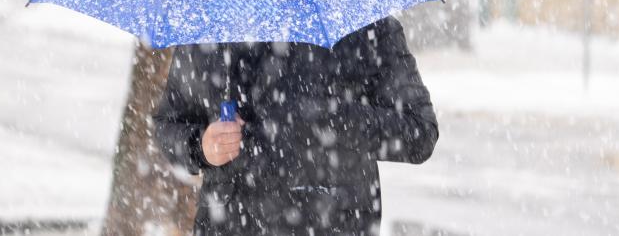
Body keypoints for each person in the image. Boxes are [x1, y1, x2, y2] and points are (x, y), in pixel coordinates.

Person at [153, 16, 438, 235]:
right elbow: (168, 124)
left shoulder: (364, 26)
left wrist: (333, 118)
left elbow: (419, 132)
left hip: (332, 221)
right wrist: (200, 145)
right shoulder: (215, 23)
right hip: (230, 223)